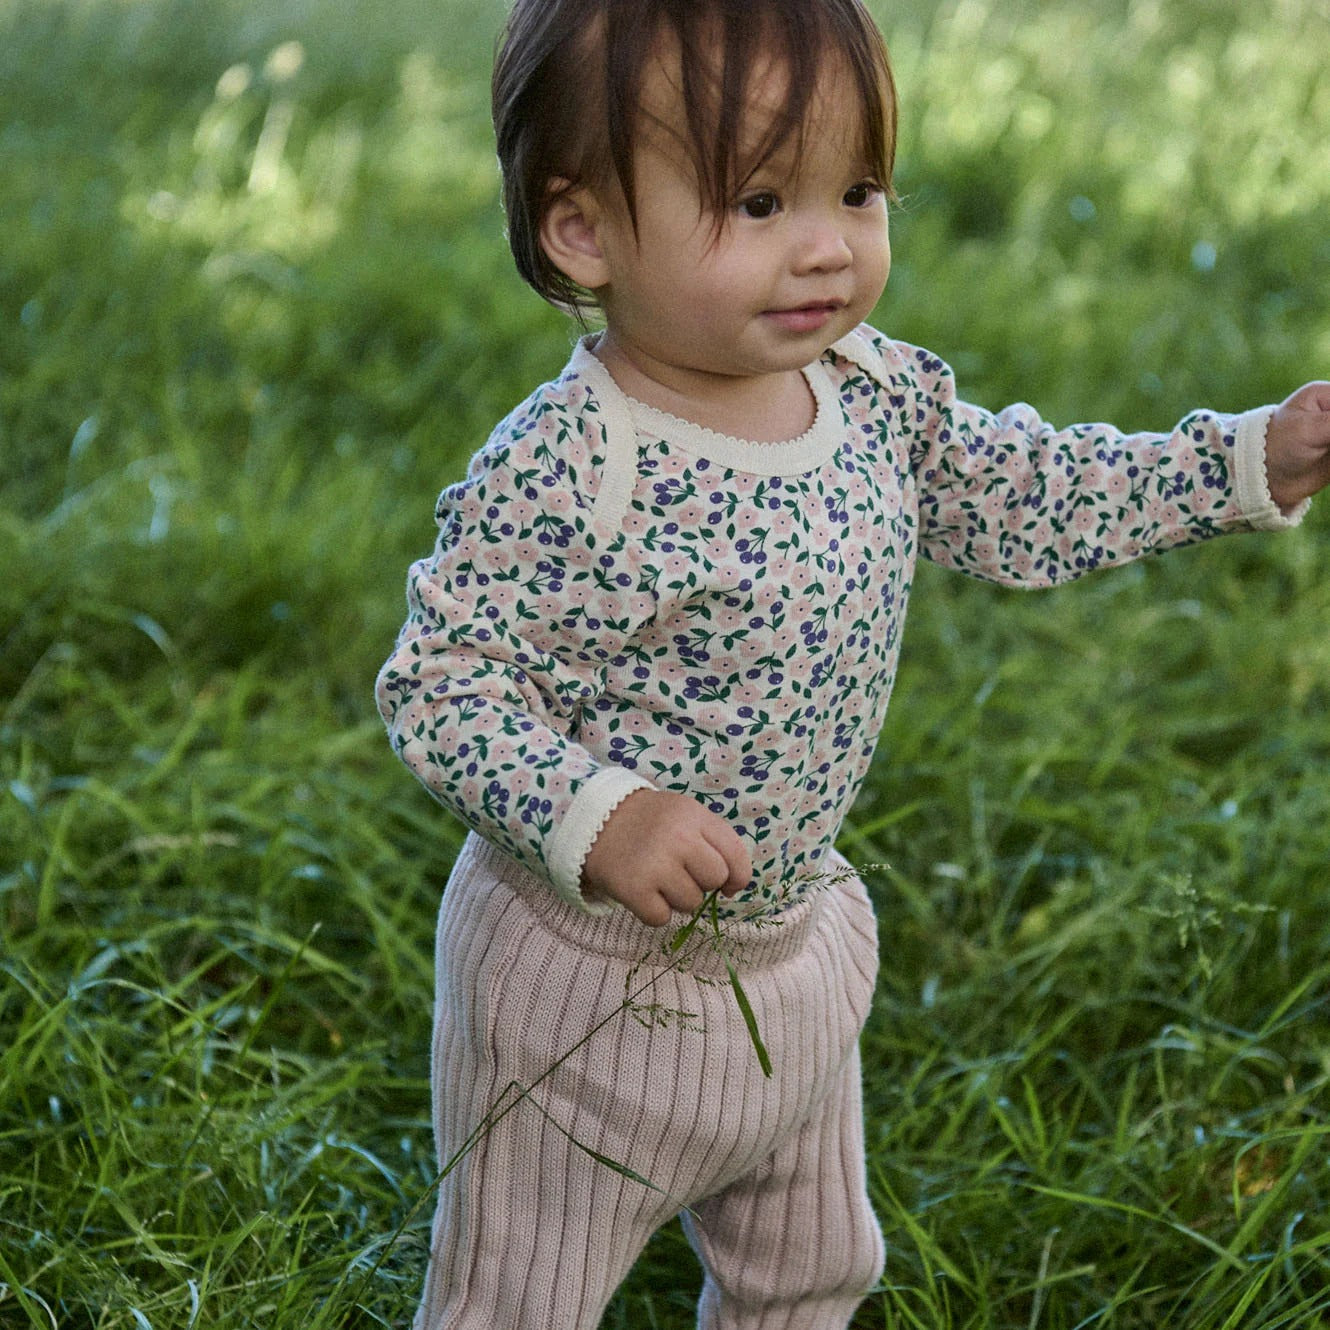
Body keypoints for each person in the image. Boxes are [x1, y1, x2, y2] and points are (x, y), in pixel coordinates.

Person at [374, 0, 1330, 1325]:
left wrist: (1234, 462)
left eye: (858, 188)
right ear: (581, 227)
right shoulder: (571, 465)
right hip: (585, 992)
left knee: (814, 1271)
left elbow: (1020, 486)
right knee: (519, 1296)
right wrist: (597, 813)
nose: (829, 243)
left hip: (794, 953)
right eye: (758, 201)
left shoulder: (865, 388)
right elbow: (443, 684)